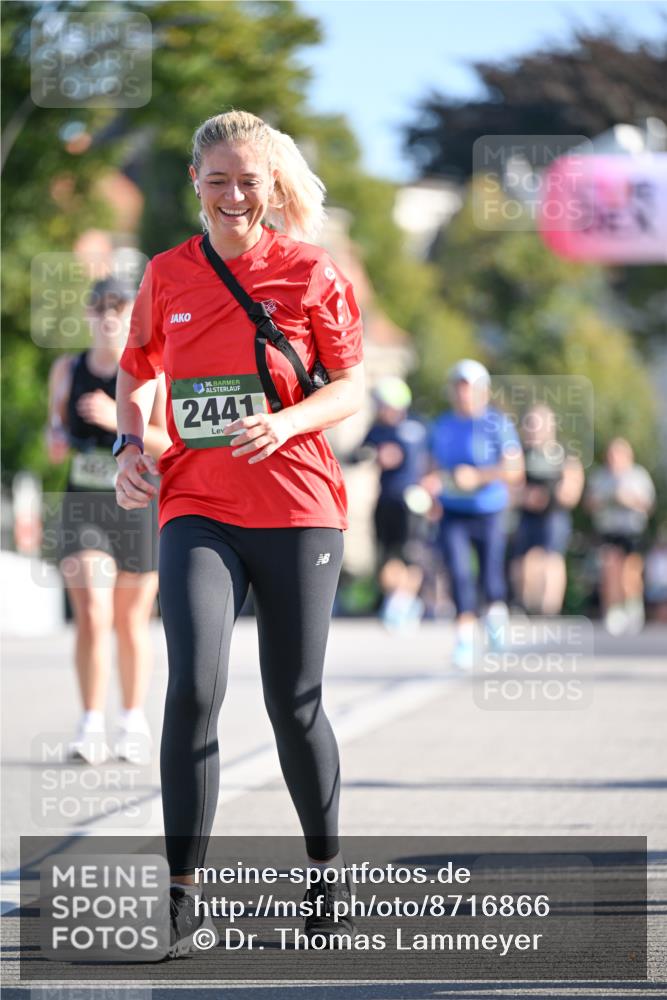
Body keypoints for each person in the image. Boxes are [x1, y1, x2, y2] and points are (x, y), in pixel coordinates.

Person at [114, 110, 365, 956]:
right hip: (197, 504)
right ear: (194, 182)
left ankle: (325, 871)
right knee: (193, 687)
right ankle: (181, 901)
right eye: (216, 179)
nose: (231, 195)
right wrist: (126, 443)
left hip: (298, 508)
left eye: (246, 181)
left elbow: (350, 387)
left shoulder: (308, 272)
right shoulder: (166, 275)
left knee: (293, 705)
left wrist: (288, 425)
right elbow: (138, 366)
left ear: (271, 186)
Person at [46, 277, 169, 765]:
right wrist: (56, 438)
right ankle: (90, 722)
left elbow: (169, 443)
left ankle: (132, 720)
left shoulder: (151, 372)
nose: (109, 318)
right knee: (93, 616)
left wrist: (115, 417)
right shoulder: (67, 369)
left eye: (119, 309)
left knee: (130, 621)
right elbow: (53, 436)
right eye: (100, 309)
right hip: (85, 505)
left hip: (137, 502)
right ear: (89, 315)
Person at [423, 360, 524, 670]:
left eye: (469, 387)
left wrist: (478, 477)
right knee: (458, 572)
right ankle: (464, 639)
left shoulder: (498, 424)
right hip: (453, 511)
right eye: (458, 386)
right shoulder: (442, 425)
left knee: (491, 574)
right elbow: (431, 466)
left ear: (483, 390)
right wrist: (430, 486)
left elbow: (514, 469)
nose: (463, 393)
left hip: (488, 510)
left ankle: (495, 619)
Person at [360, 376, 429, 630]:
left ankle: (404, 601)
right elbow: (358, 454)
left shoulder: (417, 427)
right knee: (387, 553)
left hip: (411, 501)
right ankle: (396, 601)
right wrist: (375, 455)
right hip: (385, 499)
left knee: (411, 553)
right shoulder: (377, 430)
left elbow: (431, 461)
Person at [510, 404, 584, 615]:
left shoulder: (563, 454)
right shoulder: (521, 455)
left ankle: (549, 609)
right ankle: (525, 605)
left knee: (550, 558)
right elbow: (510, 488)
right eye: (530, 425)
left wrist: (550, 497)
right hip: (527, 515)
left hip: (553, 515)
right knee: (522, 561)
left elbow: (572, 489)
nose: (533, 430)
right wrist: (526, 497)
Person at [586, 438, 655, 634]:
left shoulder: (638, 475)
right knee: (610, 570)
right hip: (609, 530)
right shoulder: (601, 477)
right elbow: (590, 503)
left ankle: (633, 608)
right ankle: (613, 610)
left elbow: (648, 505)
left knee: (630, 573)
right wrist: (607, 498)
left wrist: (627, 499)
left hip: (631, 531)